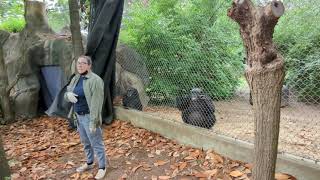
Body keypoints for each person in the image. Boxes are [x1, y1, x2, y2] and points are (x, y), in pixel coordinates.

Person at [64, 55, 107, 179]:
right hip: (78, 116)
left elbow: (96, 103)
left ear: (89, 65)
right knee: (85, 142)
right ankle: (89, 162)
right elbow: (67, 92)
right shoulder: (76, 78)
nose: (80, 65)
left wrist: (93, 122)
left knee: (96, 142)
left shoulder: (96, 80)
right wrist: (68, 95)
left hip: (89, 116)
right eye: (78, 63)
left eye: (83, 63)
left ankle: (102, 167)